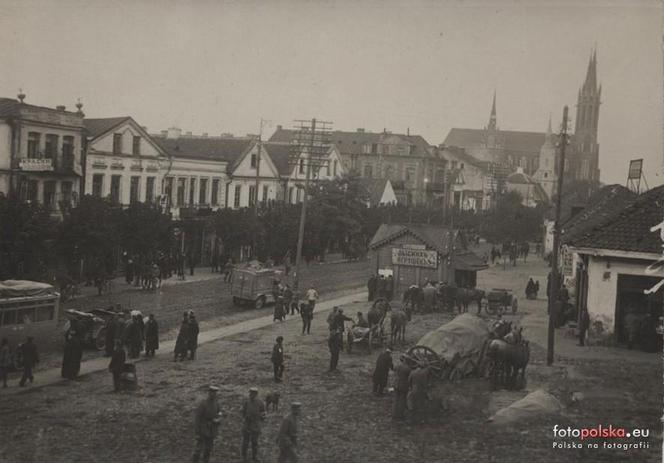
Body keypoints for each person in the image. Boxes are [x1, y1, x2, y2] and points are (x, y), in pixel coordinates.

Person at [192, 385, 222, 463]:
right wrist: (197, 432)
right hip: (203, 429)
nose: (214, 394)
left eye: (215, 393)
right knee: (198, 449)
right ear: (209, 393)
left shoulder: (217, 403)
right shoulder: (203, 403)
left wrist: (218, 419)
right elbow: (197, 418)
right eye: (212, 392)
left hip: (211, 429)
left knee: (208, 449)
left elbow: (220, 413)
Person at [241, 387, 266, 462]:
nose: (251, 395)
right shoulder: (246, 402)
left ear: (256, 394)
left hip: (256, 425)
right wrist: (245, 417)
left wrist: (262, 416)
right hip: (247, 424)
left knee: (255, 442)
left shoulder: (260, 402)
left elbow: (264, 412)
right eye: (250, 393)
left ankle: (255, 457)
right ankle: (243, 457)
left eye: (253, 393)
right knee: (245, 442)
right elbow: (243, 412)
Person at [393, 355, 411, 420]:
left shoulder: (398, 366)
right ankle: (400, 416)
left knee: (396, 400)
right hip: (403, 386)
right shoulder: (408, 369)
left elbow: (394, 368)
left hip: (396, 384)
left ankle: (394, 414)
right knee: (402, 401)